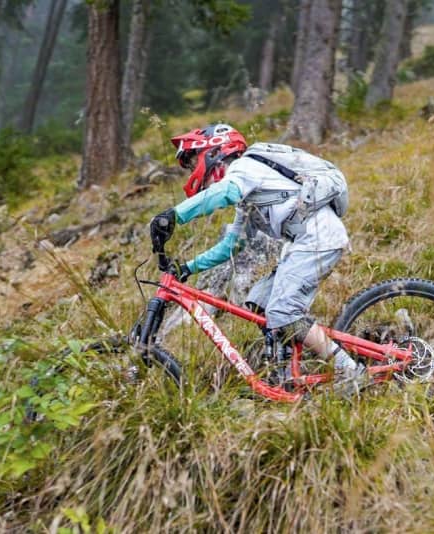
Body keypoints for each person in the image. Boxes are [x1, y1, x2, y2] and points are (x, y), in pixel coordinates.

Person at [149, 123, 368, 393]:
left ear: (214, 152)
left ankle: (351, 372)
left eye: (194, 161)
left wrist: (174, 215)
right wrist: (188, 267)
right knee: (260, 302)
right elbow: (232, 245)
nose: (194, 170)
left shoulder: (245, 168)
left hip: (318, 239)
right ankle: (288, 374)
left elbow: (225, 192)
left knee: (284, 312)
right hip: (306, 243)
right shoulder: (247, 195)